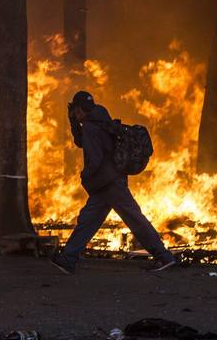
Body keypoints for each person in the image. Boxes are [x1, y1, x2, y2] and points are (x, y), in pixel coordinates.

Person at [51, 90, 178, 274]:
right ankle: (68, 259)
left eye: (76, 112)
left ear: (79, 110)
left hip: (108, 182)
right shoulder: (101, 118)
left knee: (134, 219)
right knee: (89, 220)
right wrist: (74, 123)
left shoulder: (90, 127)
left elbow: (94, 157)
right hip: (109, 181)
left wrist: (85, 176)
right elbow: (82, 142)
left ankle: (164, 257)